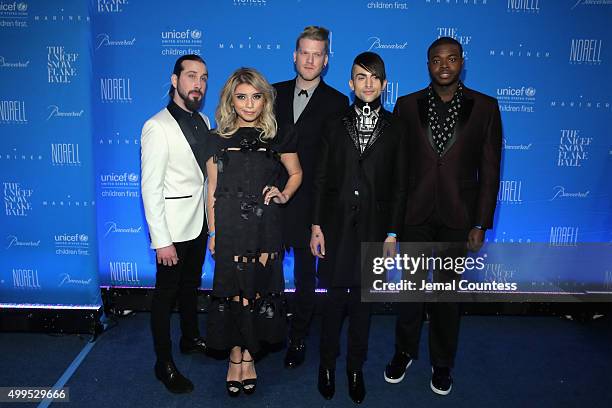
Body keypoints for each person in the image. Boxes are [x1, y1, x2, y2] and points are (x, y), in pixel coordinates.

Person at [384, 37, 502, 396]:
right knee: (413, 292)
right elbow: (397, 168)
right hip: (415, 215)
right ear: (428, 65)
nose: (445, 65)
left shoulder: (485, 107)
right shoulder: (406, 106)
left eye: (451, 59)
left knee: (448, 296)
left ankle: (442, 362)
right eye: (437, 60)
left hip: (458, 217)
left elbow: (490, 171)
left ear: (462, 62)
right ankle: (404, 352)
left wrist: (480, 223)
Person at [310, 52, 407, 404]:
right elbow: (320, 178)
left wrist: (393, 233)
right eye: (360, 77)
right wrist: (316, 225)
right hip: (335, 227)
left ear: (383, 84)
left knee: (364, 303)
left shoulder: (397, 127)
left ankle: (355, 367)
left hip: (375, 228)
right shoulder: (334, 123)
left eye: (374, 77)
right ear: (350, 83)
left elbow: (399, 186)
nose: (368, 83)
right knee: (334, 301)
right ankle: (325, 365)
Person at [205, 68, 303, 397]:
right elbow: (212, 189)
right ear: (231, 100)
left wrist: (284, 194)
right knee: (234, 293)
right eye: (242, 97)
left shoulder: (278, 135)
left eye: (256, 97)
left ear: (265, 99)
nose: (249, 104)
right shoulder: (216, 138)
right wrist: (213, 232)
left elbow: (296, 173)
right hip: (230, 226)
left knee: (257, 291)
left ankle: (249, 354)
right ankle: (236, 356)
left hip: (265, 226)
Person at [273, 25, 349, 369]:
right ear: (294, 55)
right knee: (267, 271)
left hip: (311, 205)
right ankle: (267, 329)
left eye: (317, 54)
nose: (310, 59)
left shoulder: (337, 102)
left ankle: (299, 336)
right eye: (305, 52)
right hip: (273, 200)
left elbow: (333, 163)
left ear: (326, 60)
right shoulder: (271, 93)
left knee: (306, 276)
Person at [140, 54, 212, 394]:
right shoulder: (156, 126)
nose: (198, 83)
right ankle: (162, 362)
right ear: (175, 81)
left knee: (190, 286)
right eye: (191, 76)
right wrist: (161, 240)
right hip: (172, 230)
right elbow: (150, 188)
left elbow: (203, 178)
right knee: (164, 295)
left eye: (203, 78)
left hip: (198, 223)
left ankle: (189, 338)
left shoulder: (204, 120)